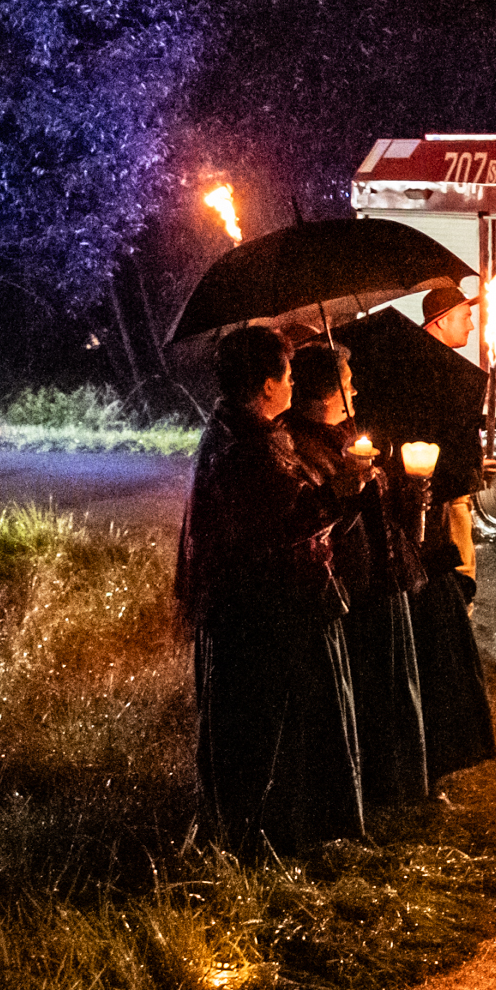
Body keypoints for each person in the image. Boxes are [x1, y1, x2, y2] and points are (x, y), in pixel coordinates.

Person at [175, 326, 372, 855]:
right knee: (273, 731)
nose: (292, 385)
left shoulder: (245, 432)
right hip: (265, 616)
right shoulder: (246, 448)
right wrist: (340, 490)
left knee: (281, 727)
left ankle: (280, 830)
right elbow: (281, 525)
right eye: (286, 376)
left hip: (269, 608)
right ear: (265, 385)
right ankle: (274, 836)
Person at [341, 284, 496, 784]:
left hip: (440, 508)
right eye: (463, 317)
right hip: (426, 527)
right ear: (437, 322)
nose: (471, 325)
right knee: (446, 602)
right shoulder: (416, 374)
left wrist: (475, 465)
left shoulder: (440, 373)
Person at [284, 342, 433, 811]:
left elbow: (383, 516)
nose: (356, 387)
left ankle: (396, 785)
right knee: (363, 693)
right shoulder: (299, 445)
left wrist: (410, 493)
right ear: (329, 392)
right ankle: (367, 789)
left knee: (391, 687)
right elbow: (311, 524)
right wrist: (346, 492)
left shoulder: (349, 438)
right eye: (348, 380)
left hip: (383, 579)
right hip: (349, 591)